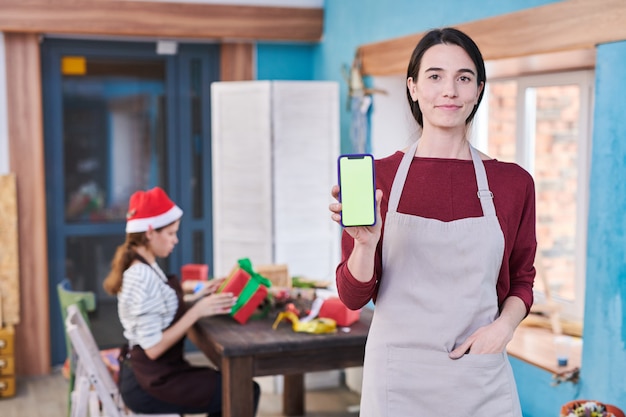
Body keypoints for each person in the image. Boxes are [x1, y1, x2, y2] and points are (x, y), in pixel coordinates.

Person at [329, 27, 535, 416]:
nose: (450, 91)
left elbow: (522, 277)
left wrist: (503, 329)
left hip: (479, 374)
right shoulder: (379, 179)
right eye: (435, 76)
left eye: (464, 78)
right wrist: (365, 244)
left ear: (478, 89)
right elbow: (353, 297)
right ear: (412, 87)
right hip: (398, 380)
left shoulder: (513, 183)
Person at [103, 186, 260, 416]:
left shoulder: (147, 266)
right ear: (149, 232)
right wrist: (196, 312)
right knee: (241, 389)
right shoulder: (140, 276)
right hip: (149, 383)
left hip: (157, 373)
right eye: (170, 233)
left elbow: (160, 302)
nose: (175, 240)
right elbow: (154, 348)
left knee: (237, 385)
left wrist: (198, 293)